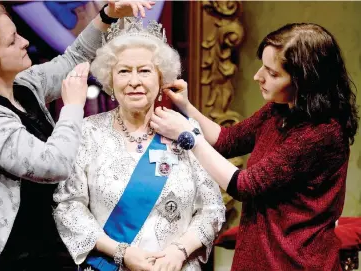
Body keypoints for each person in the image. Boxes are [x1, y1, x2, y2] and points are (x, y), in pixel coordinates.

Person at [0, 2, 155, 271]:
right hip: (5, 258)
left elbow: (74, 58)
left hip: (44, 246)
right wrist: (72, 107)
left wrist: (107, 15)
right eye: (13, 41)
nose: (25, 42)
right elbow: (52, 165)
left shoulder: (22, 85)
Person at [151, 23, 359, 270]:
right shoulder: (280, 110)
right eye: (263, 65)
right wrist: (187, 107)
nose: (258, 76)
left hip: (293, 262)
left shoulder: (320, 132)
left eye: (272, 73)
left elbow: (244, 185)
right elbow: (227, 140)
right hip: (261, 254)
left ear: (304, 81)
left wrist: (189, 137)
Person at [52, 17, 226, 271]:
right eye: (124, 71)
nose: (134, 81)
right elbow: (68, 205)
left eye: (144, 70)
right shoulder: (87, 132)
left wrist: (179, 252)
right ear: (110, 81)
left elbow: (212, 208)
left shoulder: (184, 131)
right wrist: (121, 252)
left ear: (161, 79)